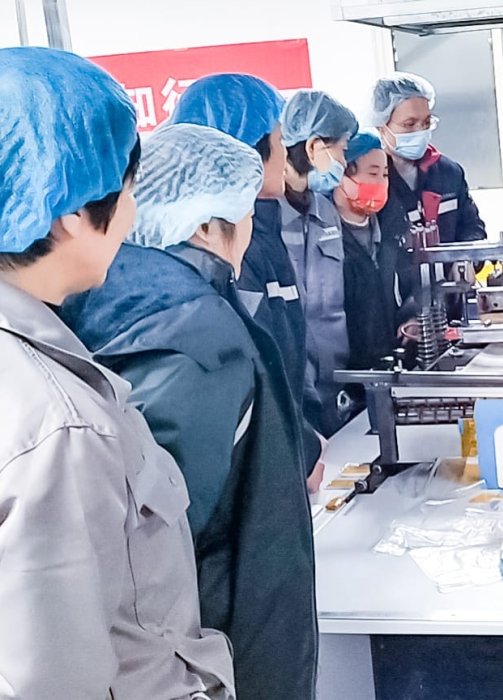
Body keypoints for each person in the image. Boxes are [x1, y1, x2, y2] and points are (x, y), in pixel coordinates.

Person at [0, 47, 234, 698]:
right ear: (72, 208)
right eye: (128, 187)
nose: (133, 213)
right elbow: (53, 682)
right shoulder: (59, 426)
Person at [60, 124, 318, 700]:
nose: (250, 230)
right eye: (245, 213)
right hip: (218, 642)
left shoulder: (126, 299)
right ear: (205, 225)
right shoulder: (192, 331)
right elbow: (159, 534)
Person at [171, 72, 325, 490]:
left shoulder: (263, 230)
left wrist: (307, 435)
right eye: (279, 139)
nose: (286, 154)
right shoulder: (229, 248)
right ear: (242, 151)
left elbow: (286, 352)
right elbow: (247, 374)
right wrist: (297, 446)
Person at [367, 72, 488, 321]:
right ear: (382, 127)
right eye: (409, 124)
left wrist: (466, 258)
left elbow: (472, 227)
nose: (420, 131)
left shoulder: (448, 173)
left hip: (452, 309)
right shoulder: (373, 181)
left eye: (426, 122)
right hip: (395, 317)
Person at [279, 90, 358, 435]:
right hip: (293, 392)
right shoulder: (263, 219)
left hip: (335, 384)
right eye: (341, 149)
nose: (343, 160)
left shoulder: (325, 211)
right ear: (314, 148)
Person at [335, 128, 417, 378]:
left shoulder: (393, 229)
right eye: (373, 174)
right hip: (345, 373)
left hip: (391, 364)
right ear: (342, 175)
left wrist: (413, 317)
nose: (381, 183)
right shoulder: (322, 235)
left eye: (385, 175)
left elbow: (412, 283)